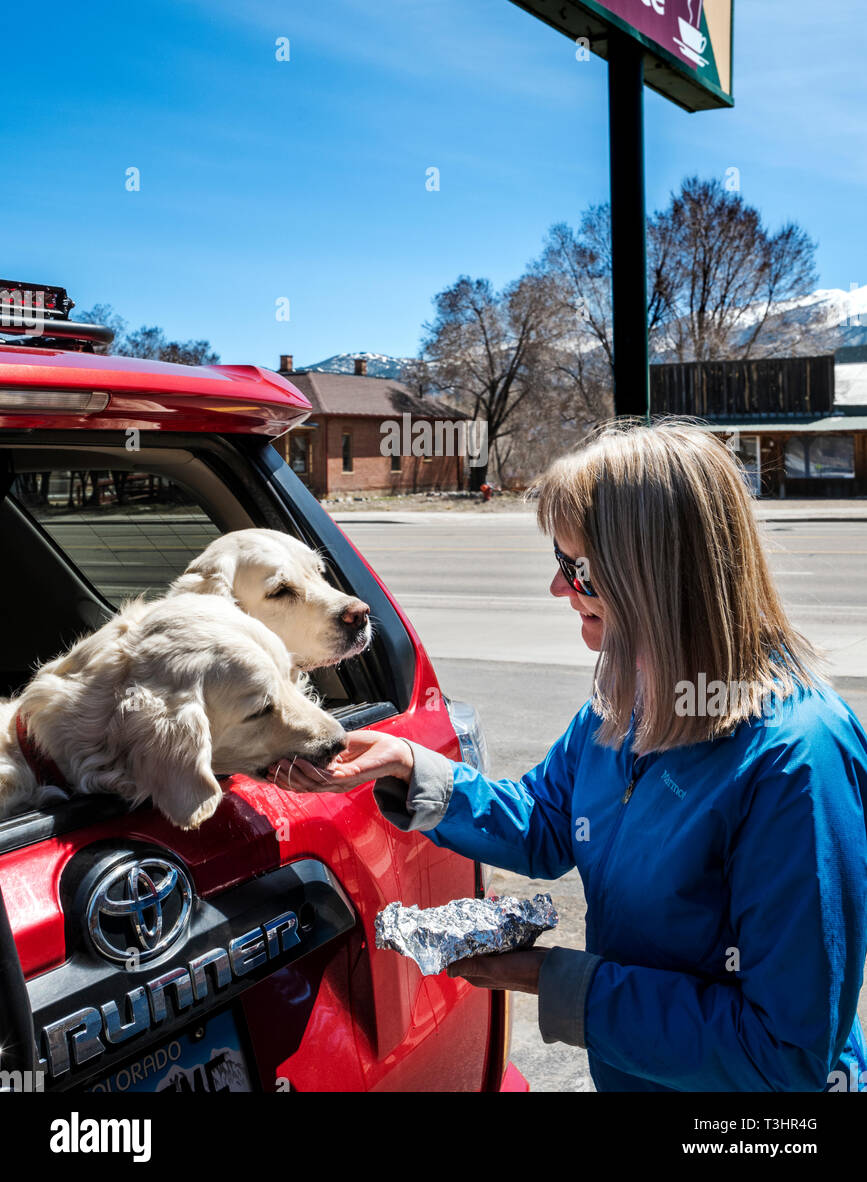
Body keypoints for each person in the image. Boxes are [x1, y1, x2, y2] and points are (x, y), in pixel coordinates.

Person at [270, 419, 867, 1093]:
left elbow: (782, 1053)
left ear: (657, 572)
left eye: (574, 568)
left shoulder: (795, 760)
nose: (558, 590)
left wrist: (557, 983)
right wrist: (412, 769)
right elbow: (551, 824)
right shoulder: (628, 701)